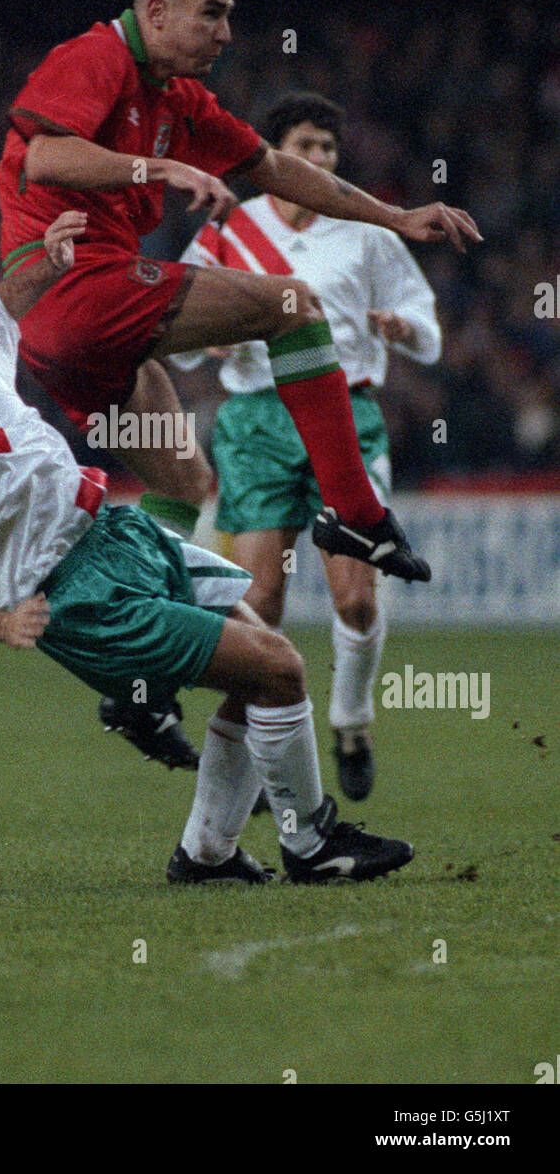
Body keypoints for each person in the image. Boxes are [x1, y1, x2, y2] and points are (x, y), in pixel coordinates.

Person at [0, 210, 415, 885]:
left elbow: (3, 300)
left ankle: (206, 855)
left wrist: (48, 261)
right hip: (80, 600)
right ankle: (312, 845)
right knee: (277, 669)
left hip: (117, 531)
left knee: (260, 674)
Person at [0, 0, 478, 762]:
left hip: (75, 341)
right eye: (210, 11)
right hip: (73, 291)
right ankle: (358, 517)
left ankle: (135, 688)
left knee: (183, 484)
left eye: (229, 13)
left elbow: (274, 167)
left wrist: (396, 218)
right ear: (156, 14)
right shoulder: (95, 57)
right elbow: (45, 155)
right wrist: (160, 165)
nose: (227, 29)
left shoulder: (179, 97)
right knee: (292, 305)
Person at [172, 92, 442, 800]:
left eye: (328, 148)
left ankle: (351, 717)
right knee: (260, 601)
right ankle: (267, 764)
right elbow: (177, 322)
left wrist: (403, 329)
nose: (319, 158)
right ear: (274, 153)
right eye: (306, 146)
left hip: (344, 414)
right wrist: (212, 336)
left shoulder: (366, 229)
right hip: (257, 422)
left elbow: (429, 326)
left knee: (354, 598)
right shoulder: (229, 225)